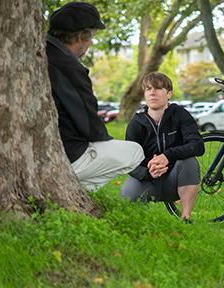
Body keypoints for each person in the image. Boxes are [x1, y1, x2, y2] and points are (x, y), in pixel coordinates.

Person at [46, 2, 144, 191]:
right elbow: (91, 127)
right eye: (92, 37)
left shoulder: (39, 52)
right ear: (82, 36)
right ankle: (74, 192)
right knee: (135, 151)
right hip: (68, 154)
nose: (91, 43)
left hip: (46, 148)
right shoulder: (71, 67)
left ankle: (75, 195)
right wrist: (103, 139)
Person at [120, 72, 205, 221]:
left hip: (175, 180)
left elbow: (197, 146)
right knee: (127, 193)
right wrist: (148, 173)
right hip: (147, 181)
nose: (152, 92)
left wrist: (168, 155)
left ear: (169, 94)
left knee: (190, 162)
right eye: (148, 89)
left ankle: (185, 218)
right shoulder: (136, 124)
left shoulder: (180, 115)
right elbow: (129, 163)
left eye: (158, 88)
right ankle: (142, 223)